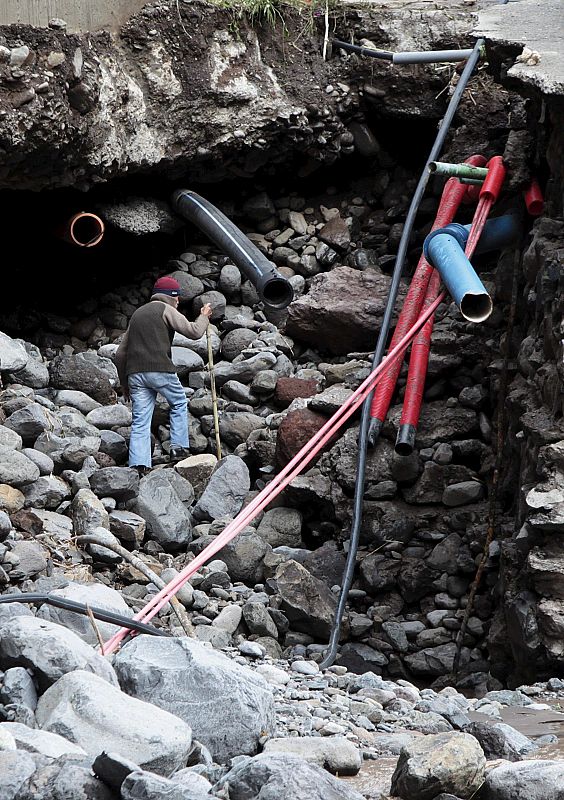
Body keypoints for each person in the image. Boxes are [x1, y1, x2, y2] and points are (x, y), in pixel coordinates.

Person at [115, 276, 212, 474]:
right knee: (178, 402)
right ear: (171, 296)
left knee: (141, 420)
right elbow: (194, 332)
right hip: (160, 369)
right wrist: (204, 316)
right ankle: (178, 448)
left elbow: (120, 353)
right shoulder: (165, 309)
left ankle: (138, 465)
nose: (178, 302)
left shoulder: (137, 314)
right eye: (177, 298)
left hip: (135, 374)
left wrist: (124, 383)